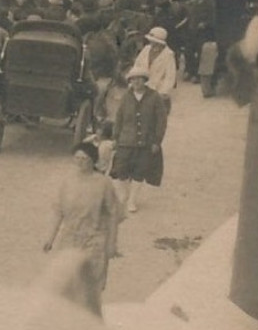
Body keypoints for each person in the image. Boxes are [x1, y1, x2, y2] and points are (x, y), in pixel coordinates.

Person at [43, 141, 124, 293]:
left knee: (90, 284)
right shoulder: (67, 182)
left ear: (93, 160)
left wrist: (112, 243)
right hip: (70, 238)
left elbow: (113, 214)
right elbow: (58, 211)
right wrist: (50, 239)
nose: (80, 163)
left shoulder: (103, 183)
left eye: (84, 159)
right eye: (77, 158)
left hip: (95, 240)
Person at [110, 64, 168, 214]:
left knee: (139, 172)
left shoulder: (154, 97)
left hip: (145, 143)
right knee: (119, 170)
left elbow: (161, 121)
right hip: (125, 141)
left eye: (139, 80)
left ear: (145, 81)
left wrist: (157, 141)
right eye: (133, 80)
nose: (136, 83)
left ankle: (132, 200)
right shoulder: (126, 97)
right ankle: (123, 195)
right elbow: (119, 118)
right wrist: (115, 137)